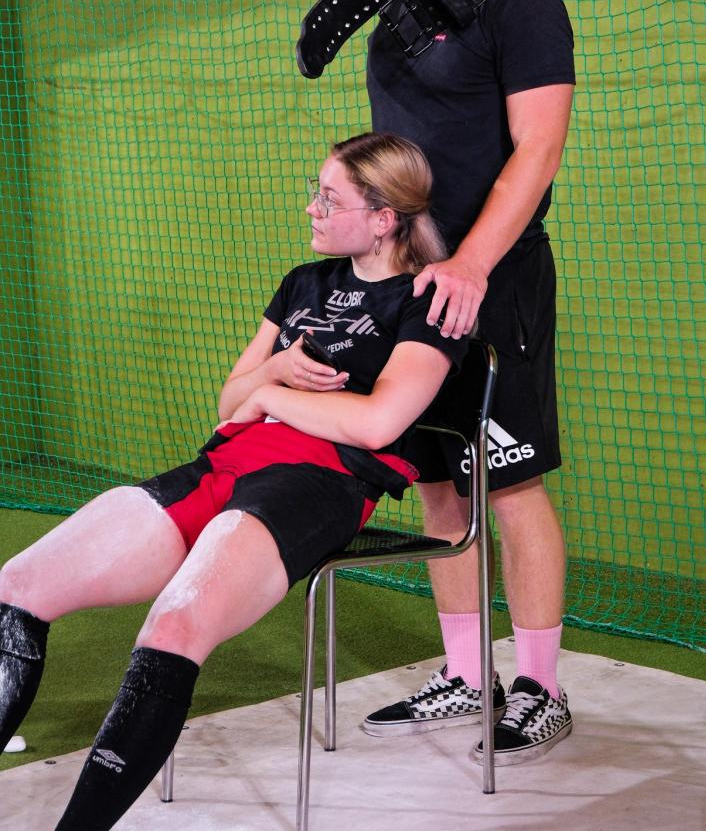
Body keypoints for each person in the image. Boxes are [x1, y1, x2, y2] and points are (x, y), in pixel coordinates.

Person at [0, 132, 467, 830]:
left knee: (176, 625)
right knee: (18, 585)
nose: (311, 209)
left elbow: (378, 424)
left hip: (318, 484)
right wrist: (272, 375)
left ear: (382, 218)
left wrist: (270, 394)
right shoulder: (304, 283)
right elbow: (229, 401)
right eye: (315, 193)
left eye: (328, 198)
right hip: (225, 465)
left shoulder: (425, 300)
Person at [297, 0, 575, 764]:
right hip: (410, 284)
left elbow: (537, 149)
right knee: (436, 483)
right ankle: (465, 675)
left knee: (509, 483)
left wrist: (471, 262)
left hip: (493, 279)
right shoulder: (400, 13)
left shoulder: (523, 7)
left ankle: (540, 689)